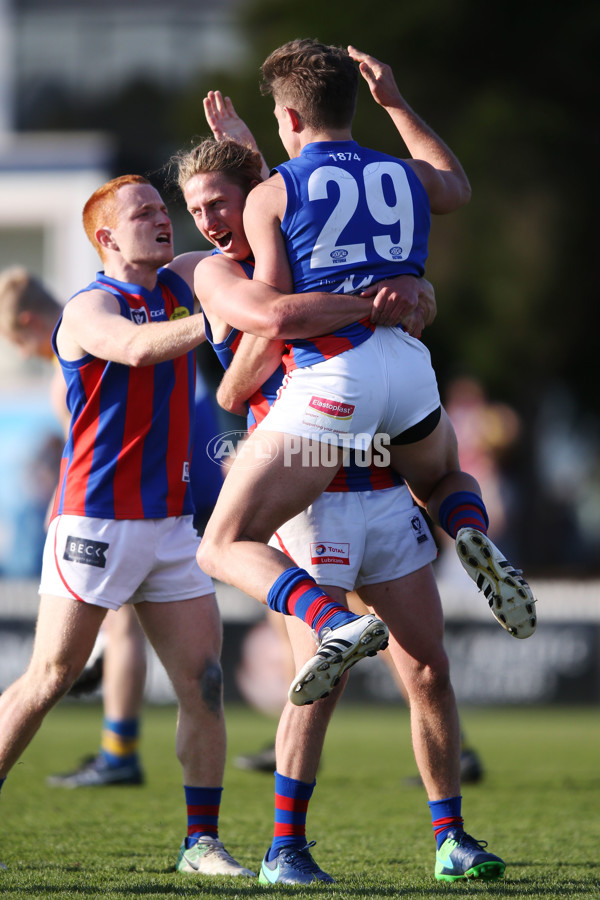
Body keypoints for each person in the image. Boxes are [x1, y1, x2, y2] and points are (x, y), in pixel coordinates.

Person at [173, 114, 500, 884]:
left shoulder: (316, 246)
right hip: (307, 487)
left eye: (220, 202)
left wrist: (412, 294)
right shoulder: (211, 271)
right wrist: (374, 302)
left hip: (380, 476)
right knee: (318, 680)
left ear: (255, 195)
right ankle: (285, 849)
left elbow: (403, 294)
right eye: (197, 209)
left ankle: (453, 840)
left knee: (429, 672)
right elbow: (240, 374)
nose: (210, 222)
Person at [193, 40, 537, 722]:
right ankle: (470, 532)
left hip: (334, 380)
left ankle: (331, 618)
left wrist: (235, 388)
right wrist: (399, 103)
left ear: (288, 116)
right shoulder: (403, 176)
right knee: (443, 482)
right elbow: (456, 185)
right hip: (409, 369)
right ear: (356, 104)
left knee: (223, 544)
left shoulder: (270, 196)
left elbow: (273, 319)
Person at [0, 175, 260, 877]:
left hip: (172, 525)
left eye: (161, 207)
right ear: (106, 237)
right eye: (142, 212)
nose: (161, 218)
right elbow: (139, 350)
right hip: (95, 523)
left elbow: (254, 248)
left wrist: (247, 169)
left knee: (203, 684)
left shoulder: (180, 278)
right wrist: (218, 320)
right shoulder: (89, 307)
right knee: (49, 678)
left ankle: (200, 843)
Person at [0, 265, 149, 790]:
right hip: (170, 488)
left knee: (64, 662)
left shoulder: (76, 353)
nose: (23, 354)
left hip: (121, 507)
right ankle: (118, 745)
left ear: (27, 321)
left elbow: (81, 451)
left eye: (17, 341)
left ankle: (119, 747)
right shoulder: (117, 312)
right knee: (94, 642)